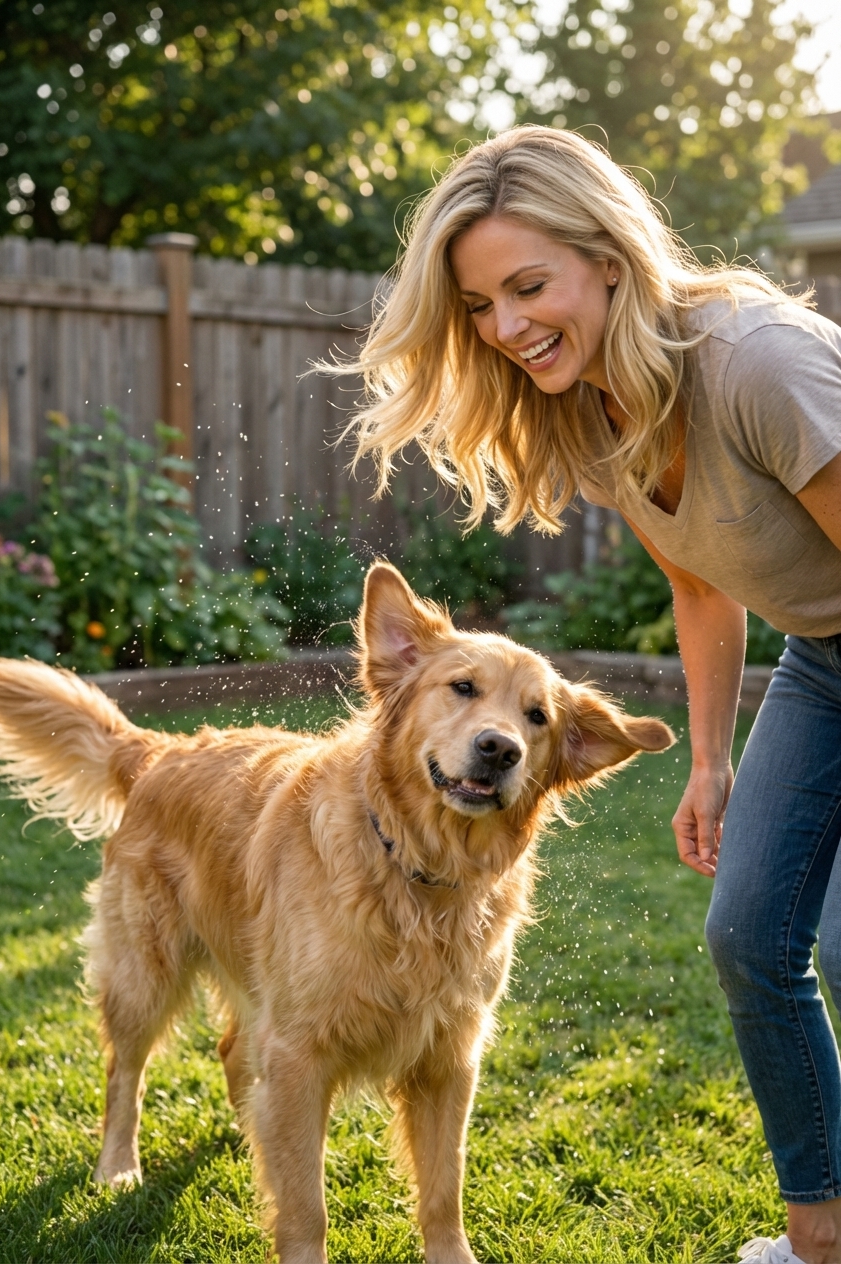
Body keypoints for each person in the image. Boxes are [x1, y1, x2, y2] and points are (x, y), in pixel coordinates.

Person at [331, 126, 841, 1264]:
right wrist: (711, 759)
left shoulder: (757, 366)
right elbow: (701, 581)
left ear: (606, 257)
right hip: (822, 656)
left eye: (528, 286)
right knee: (751, 932)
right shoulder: (598, 406)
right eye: (479, 306)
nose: (506, 328)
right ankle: (824, 1238)